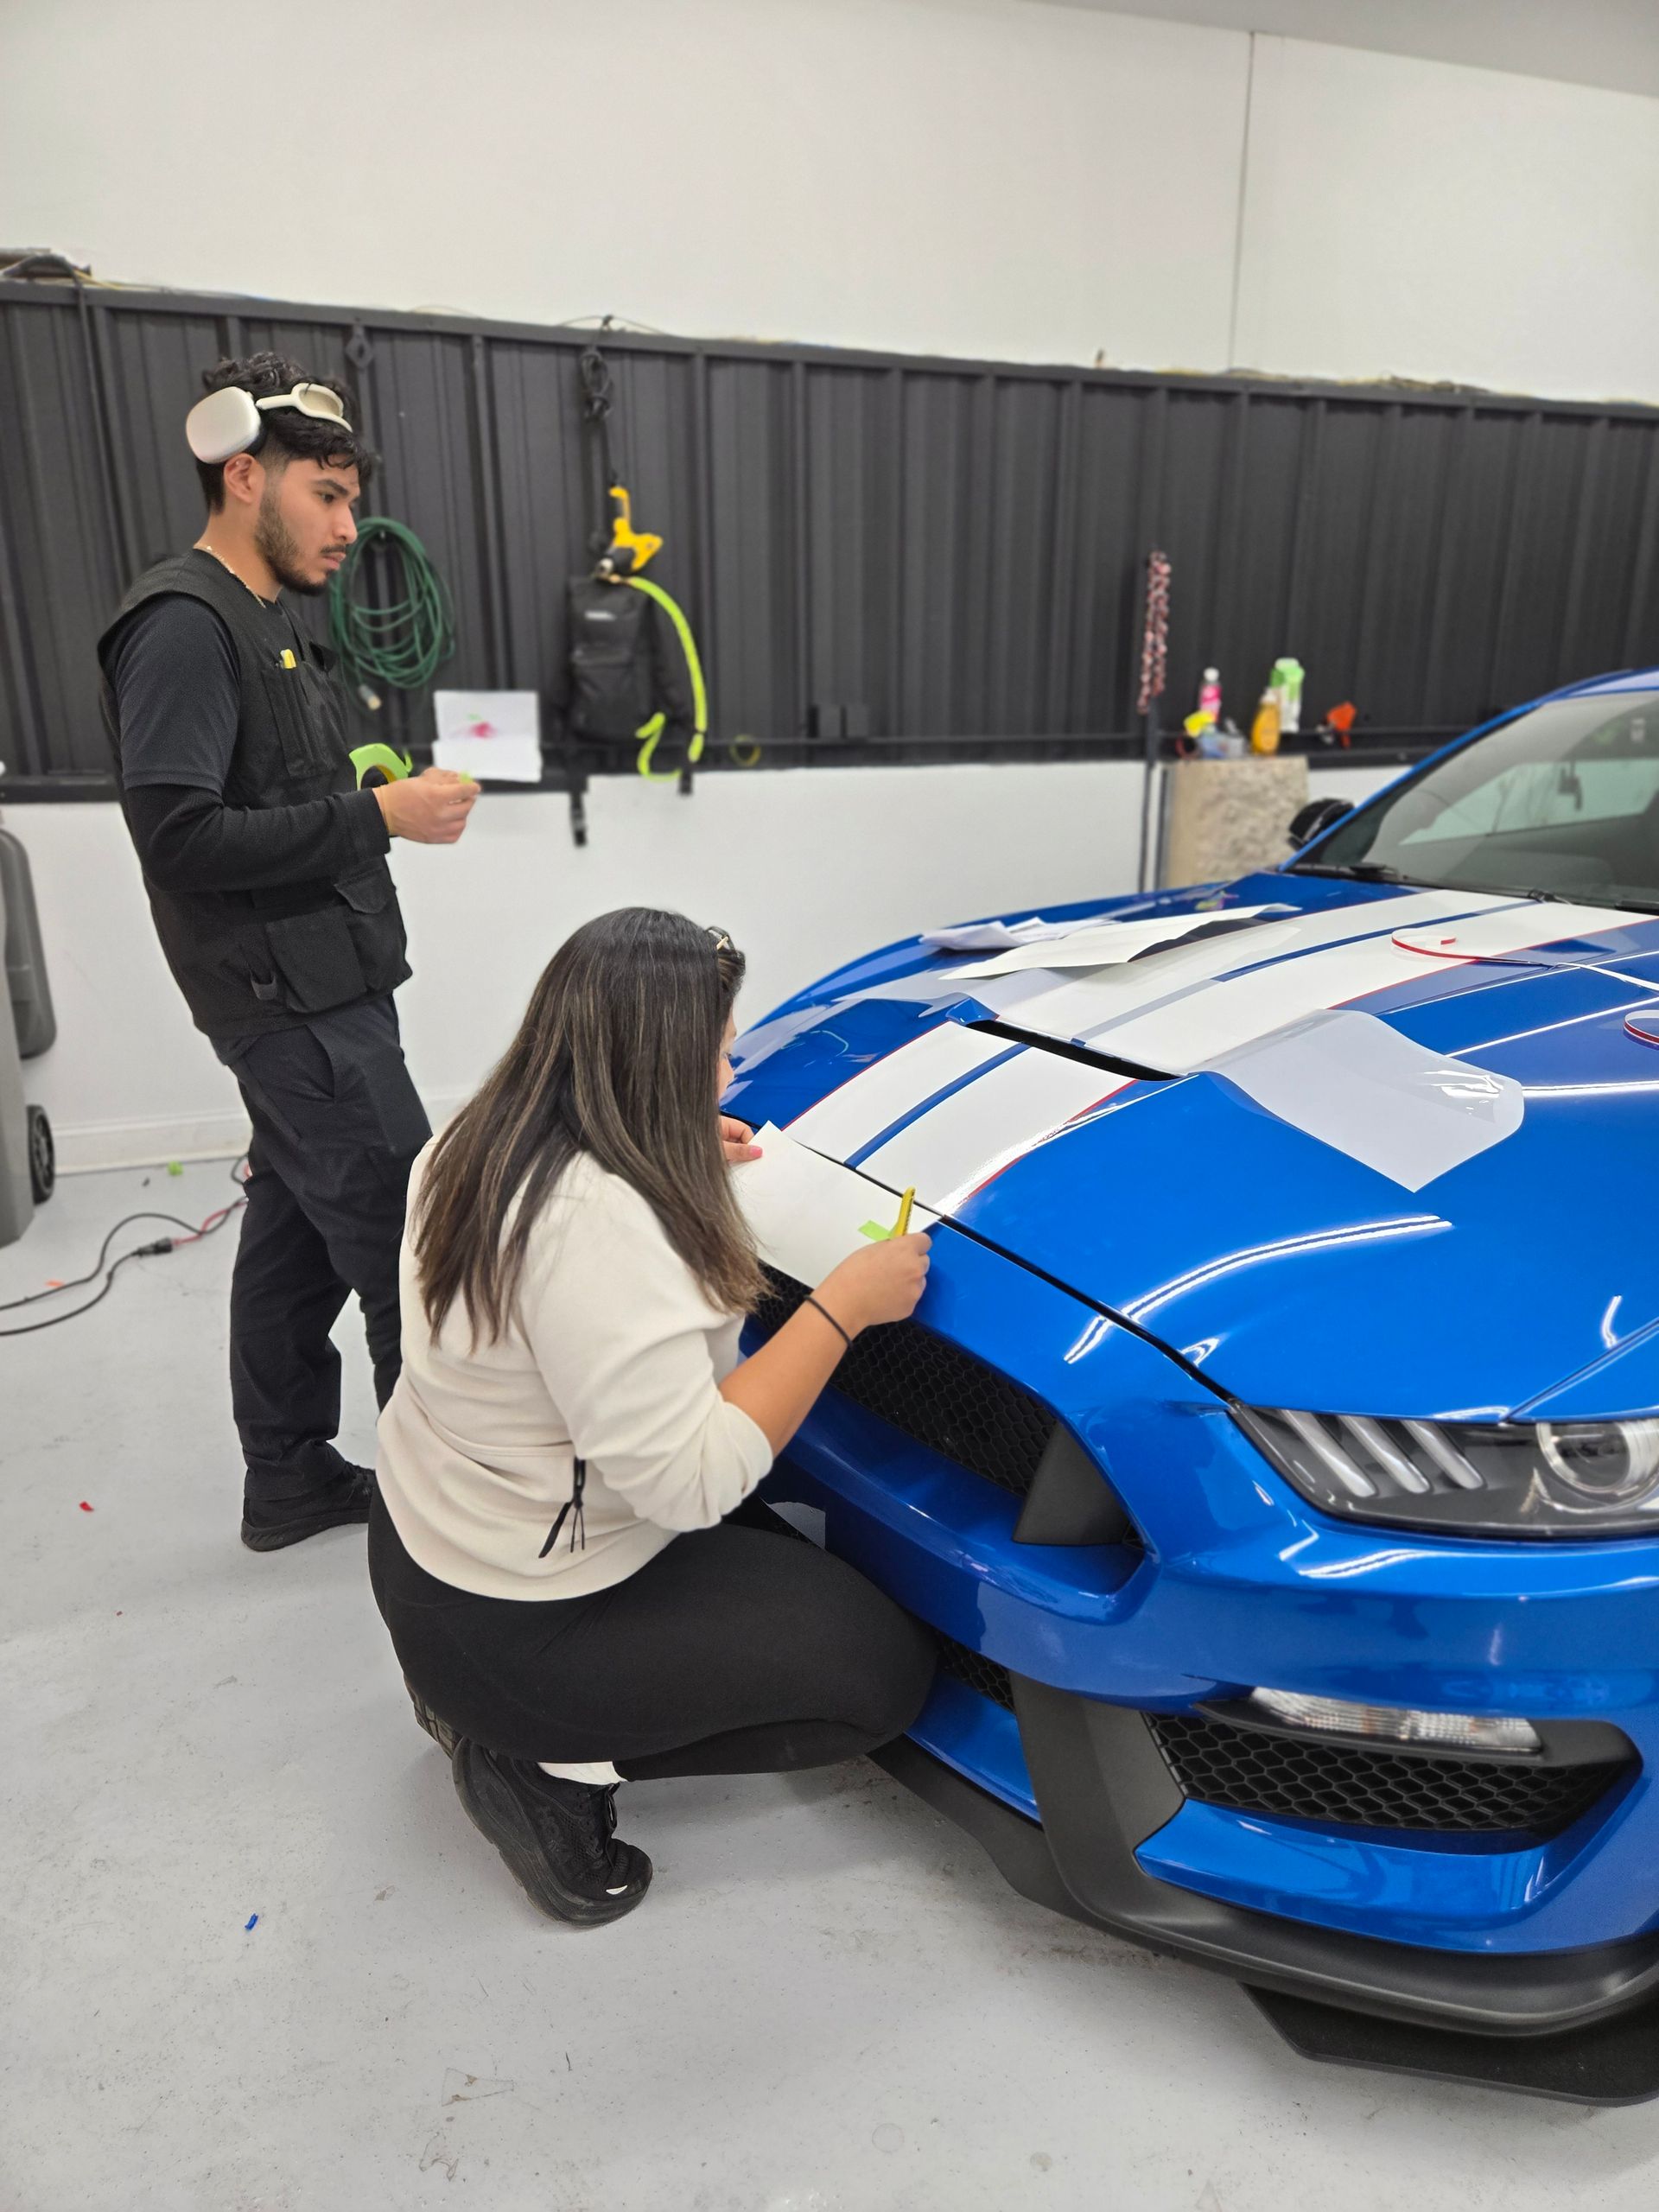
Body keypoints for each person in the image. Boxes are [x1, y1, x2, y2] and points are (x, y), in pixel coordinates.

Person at [368, 908, 938, 1923]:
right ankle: (546, 1768)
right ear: (654, 1061)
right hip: (520, 1622)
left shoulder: (477, 1134)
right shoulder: (597, 1231)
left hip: (436, 1546)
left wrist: (667, 1146)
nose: (727, 1080)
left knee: (804, 1578)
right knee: (881, 1680)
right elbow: (692, 1480)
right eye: (717, 1057)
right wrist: (842, 1308)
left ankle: (496, 1709)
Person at [97, 353, 479, 1552]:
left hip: (329, 989)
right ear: (244, 477)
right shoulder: (181, 625)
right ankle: (451, 1537)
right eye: (327, 495)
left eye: (352, 498)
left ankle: (290, 1476)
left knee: (297, 1241)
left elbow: (268, 801)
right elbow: (179, 834)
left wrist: (370, 797)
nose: (347, 525)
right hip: (292, 1010)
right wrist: (378, 818)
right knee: (410, 1254)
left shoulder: (263, 624)